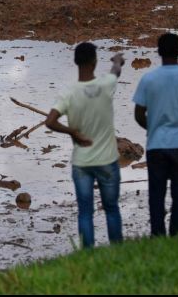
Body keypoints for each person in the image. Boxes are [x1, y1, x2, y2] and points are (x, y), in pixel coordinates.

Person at [45, 42, 125, 247]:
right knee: (112, 209)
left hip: (82, 162)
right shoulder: (106, 84)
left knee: (85, 212)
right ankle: (118, 252)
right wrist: (117, 59)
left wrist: (72, 131)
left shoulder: (68, 93)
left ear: (75, 62)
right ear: (95, 61)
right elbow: (116, 71)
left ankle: (87, 255)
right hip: (107, 160)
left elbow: (50, 121)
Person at [133, 33, 178, 237]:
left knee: (156, 195)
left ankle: (157, 236)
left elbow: (139, 114)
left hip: (156, 146)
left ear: (158, 52)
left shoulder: (148, 79)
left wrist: (153, 128)